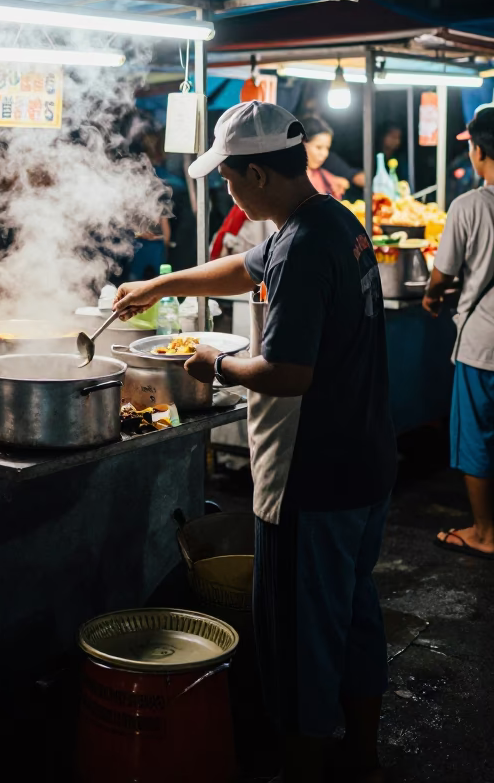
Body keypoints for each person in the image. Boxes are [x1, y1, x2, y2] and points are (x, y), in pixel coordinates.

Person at [115, 101, 395, 783]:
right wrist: (159, 284)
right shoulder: (328, 220)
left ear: (258, 176)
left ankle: (303, 767)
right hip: (365, 462)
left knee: (299, 640)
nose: (227, 192)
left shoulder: (301, 247)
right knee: (354, 615)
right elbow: (244, 269)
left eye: (229, 180)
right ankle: (361, 757)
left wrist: (217, 365)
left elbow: (287, 374)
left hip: (311, 475)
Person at [423, 105, 494, 559]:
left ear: (479, 149)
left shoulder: (469, 205)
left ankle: (485, 533)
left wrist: (432, 297)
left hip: (484, 345)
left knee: (478, 438)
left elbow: (442, 273)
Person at [302, 115, 349, 198]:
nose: (324, 154)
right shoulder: (285, 178)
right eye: (318, 147)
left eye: (327, 148)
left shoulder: (324, 176)